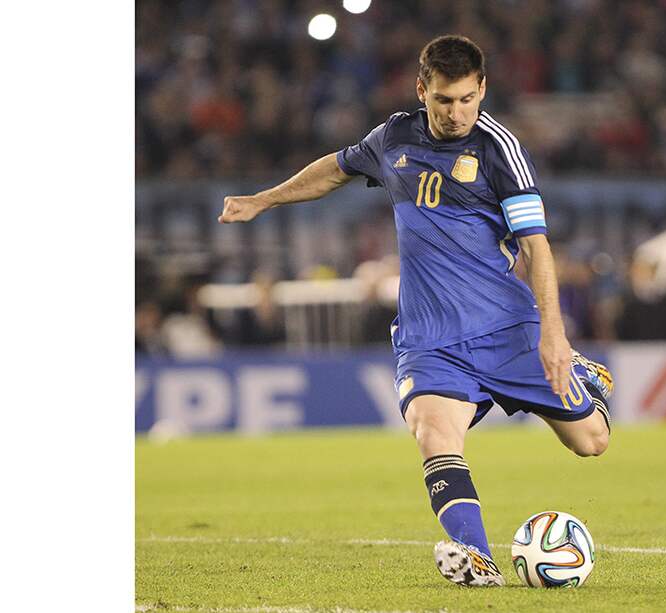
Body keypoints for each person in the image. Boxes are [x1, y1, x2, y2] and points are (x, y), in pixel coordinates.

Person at [219, 35, 614, 587]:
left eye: (468, 100)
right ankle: (478, 558)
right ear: (421, 89)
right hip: (430, 339)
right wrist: (264, 199)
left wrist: (554, 333)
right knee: (432, 432)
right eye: (445, 101)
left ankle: (579, 375)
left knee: (590, 441)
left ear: (483, 90)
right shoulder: (394, 138)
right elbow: (334, 169)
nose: (457, 114)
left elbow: (535, 246)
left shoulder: (499, 150)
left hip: (507, 330)